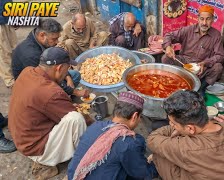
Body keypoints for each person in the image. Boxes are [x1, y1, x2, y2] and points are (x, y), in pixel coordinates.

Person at [9, 47, 92, 179]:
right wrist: (97, 126)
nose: (67, 73)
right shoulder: (51, 92)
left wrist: (66, 105)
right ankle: (79, 161)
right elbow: (77, 115)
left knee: (70, 112)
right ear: (59, 68)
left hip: (21, 137)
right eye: (67, 68)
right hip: (34, 147)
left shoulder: (27, 71)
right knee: (76, 119)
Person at [147, 90, 224, 180]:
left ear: (190, 128)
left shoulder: (186, 147)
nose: (171, 125)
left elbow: (152, 140)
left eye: (173, 123)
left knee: (160, 154)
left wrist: (176, 129)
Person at [68, 92, 158, 180]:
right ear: (134, 116)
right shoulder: (129, 143)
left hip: (73, 176)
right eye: (140, 117)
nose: (139, 121)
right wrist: (156, 162)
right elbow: (143, 173)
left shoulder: (96, 126)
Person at [11, 18, 88, 98]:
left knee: (75, 75)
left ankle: (66, 94)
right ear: (42, 35)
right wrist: (75, 92)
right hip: (32, 88)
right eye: (54, 39)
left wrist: (67, 77)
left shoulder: (37, 39)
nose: (57, 42)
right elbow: (48, 81)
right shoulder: (32, 55)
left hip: (45, 76)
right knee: (58, 92)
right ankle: (61, 99)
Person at [161, 5, 224, 96]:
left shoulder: (216, 35)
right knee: (165, 58)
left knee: (218, 67)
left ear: (213, 20)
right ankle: (173, 82)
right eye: (202, 19)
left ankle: (201, 88)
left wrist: (205, 63)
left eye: (208, 19)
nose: (204, 23)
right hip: (184, 63)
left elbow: (220, 56)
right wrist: (168, 47)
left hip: (202, 67)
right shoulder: (188, 30)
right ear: (197, 19)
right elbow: (169, 35)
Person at [0, 0, 17, 88]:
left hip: (7, 18)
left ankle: (14, 73)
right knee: (4, 53)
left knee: (13, 48)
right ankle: (9, 80)